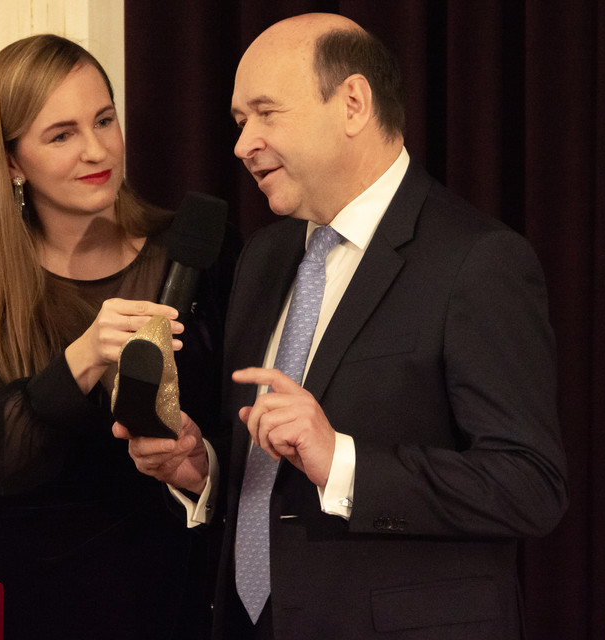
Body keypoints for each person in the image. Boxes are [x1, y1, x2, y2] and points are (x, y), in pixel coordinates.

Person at [114, 13, 568, 639]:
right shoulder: (263, 257)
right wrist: (204, 467)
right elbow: (268, 462)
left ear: (353, 103)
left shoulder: (477, 260)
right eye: (240, 122)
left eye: (266, 113)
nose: (243, 145)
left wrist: (343, 462)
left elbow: (530, 486)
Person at [0, 34, 235, 640]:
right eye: (61, 135)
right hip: (26, 590)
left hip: (171, 586)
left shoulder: (193, 249)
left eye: (104, 120)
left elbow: (242, 424)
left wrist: (198, 460)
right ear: (12, 162)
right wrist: (83, 357)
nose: (96, 149)